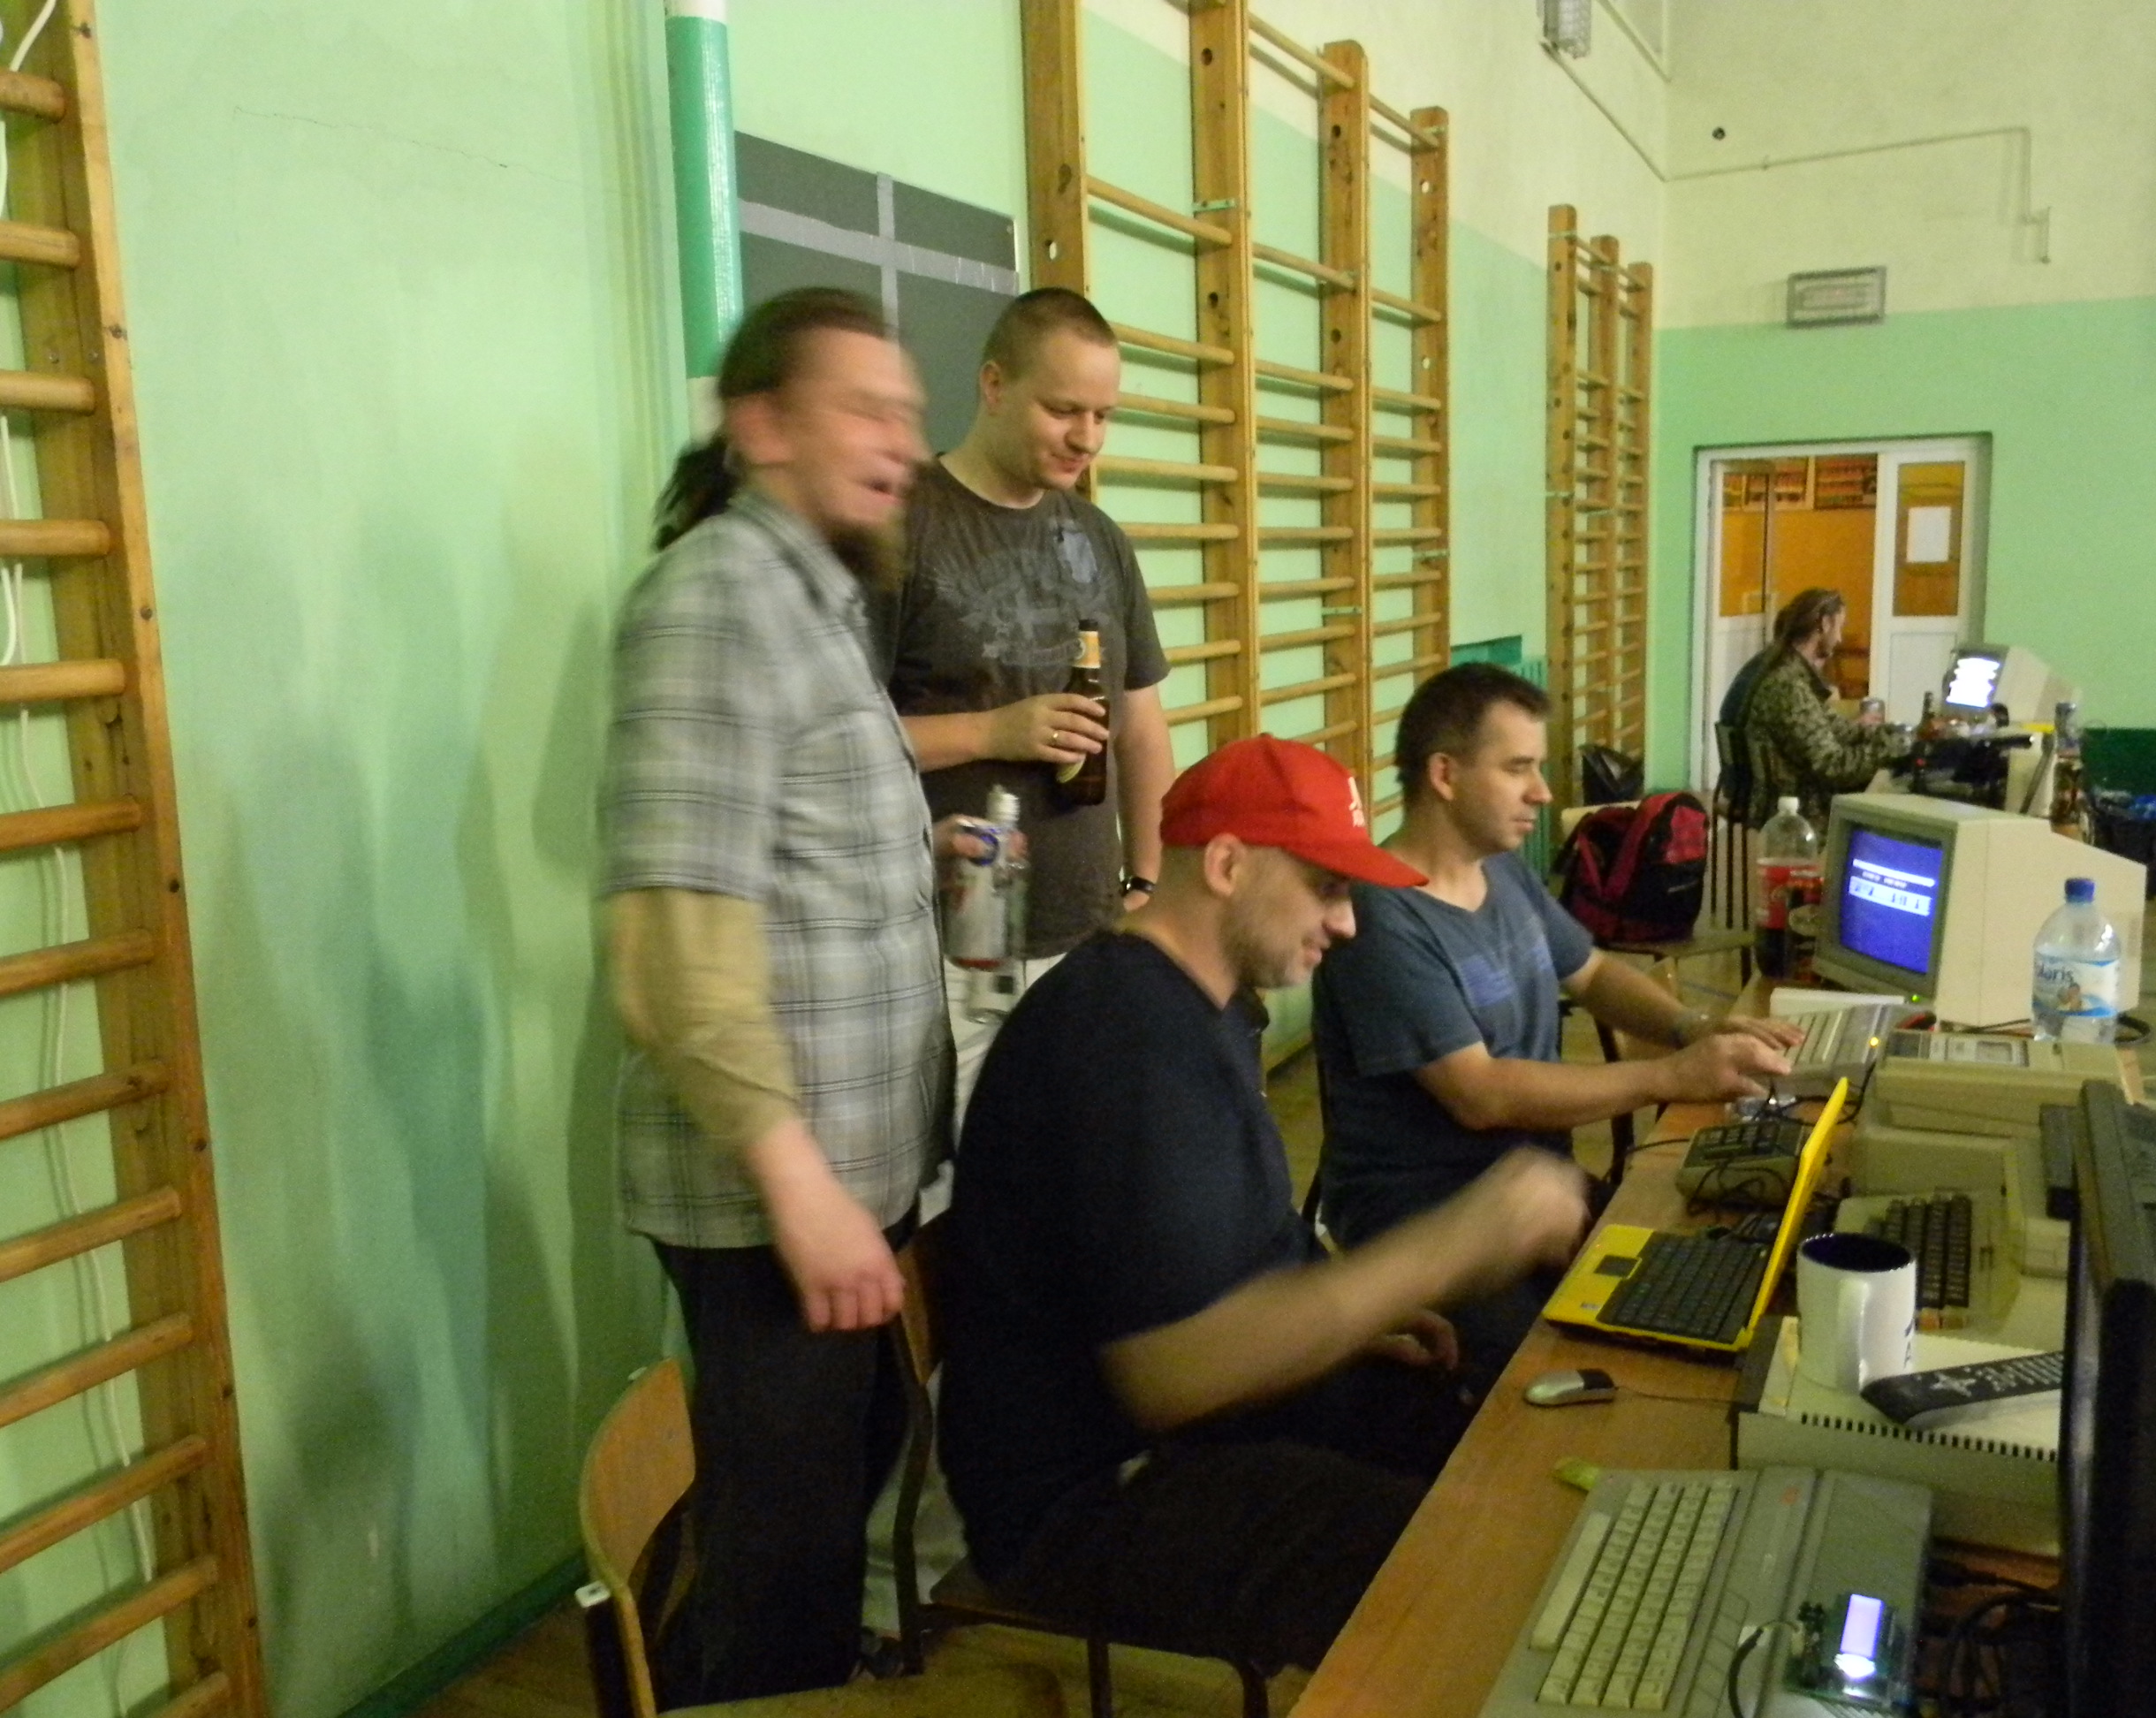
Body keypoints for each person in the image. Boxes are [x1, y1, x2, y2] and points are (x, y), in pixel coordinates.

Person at [937, 736, 1591, 1674]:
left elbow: (1230, 1251)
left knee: (1497, 1432)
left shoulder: (1191, 1006)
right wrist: (1448, 1247)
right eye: (1326, 888)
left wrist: (1346, 1322)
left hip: (1188, 1436)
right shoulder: (1123, 1037)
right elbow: (1172, 1374)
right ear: (1228, 864)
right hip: (1091, 1502)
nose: (1349, 923)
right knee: (1471, 1566)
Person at [603, 287, 973, 1699]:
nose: (902, 445)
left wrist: (911, 850)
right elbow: (675, 940)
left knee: (831, 1496)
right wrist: (801, 1188)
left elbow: (770, 847)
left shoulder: (812, 599)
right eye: (865, 411)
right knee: (785, 1567)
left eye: (909, 416)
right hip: (773, 1196)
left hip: (843, 1178)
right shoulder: (719, 601)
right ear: (761, 426)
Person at [1312, 665, 1798, 1384]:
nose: (1542, 791)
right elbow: (1481, 1094)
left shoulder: (1500, 870)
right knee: (1559, 1381)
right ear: (1445, 775)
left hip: (1536, 1188)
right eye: (1518, 768)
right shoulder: (1381, 914)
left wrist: (1694, 1029)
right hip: (1431, 1223)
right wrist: (1671, 1076)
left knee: (1723, 1275)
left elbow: (1592, 973)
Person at [882, 286, 1174, 1110]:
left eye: (1103, 415)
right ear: (994, 385)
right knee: (970, 1165)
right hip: (950, 936)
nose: (1087, 437)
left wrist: (1149, 887)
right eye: (1063, 410)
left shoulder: (1100, 538)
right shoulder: (901, 526)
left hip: (1088, 927)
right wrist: (992, 731)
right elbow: (837, 743)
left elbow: (1142, 728)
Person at [1739, 587, 1906, 826]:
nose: (1839, 639)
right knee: (1896, 800)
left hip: (1800, 797)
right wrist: (1895, 749)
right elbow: (1831, 766)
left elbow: (1842, 731)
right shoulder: (1789, 688)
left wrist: (1898, 735)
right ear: (1825, 624)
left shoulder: (1793, 676)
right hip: (1802, 808)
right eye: (1839, 628)